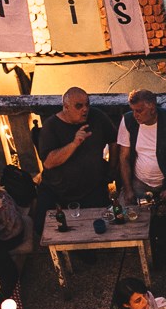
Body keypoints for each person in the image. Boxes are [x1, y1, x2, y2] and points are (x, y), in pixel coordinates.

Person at [35, 87, 114, 237]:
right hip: (57, 189)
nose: (85, 109)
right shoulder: (51, 126)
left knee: (102, 223)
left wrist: (112, 167)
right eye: (79, 106)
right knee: (41, 227)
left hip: (91, 187)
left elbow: (114, 140)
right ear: (66, 107)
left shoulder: (97, 117)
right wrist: (74, 144)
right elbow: (49, 162)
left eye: (87, 105)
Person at [116, 90, 166, 204]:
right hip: (139, 182)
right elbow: (124, 157)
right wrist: (128, 189)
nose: (135, 115)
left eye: (139, 111)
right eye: (132, 110)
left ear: (152, 109)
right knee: (124, 210)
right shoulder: (128, 121)